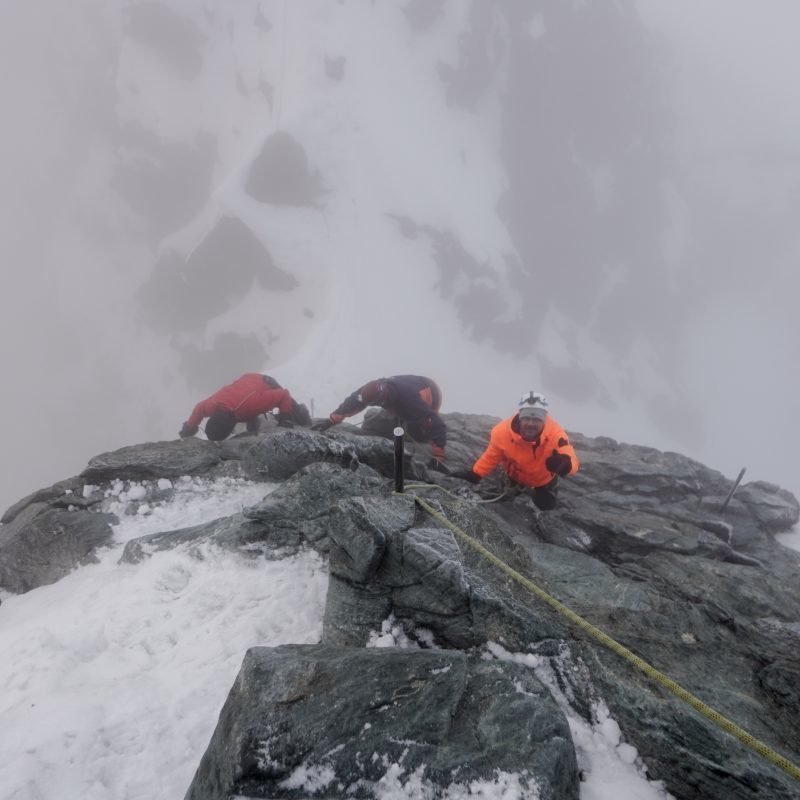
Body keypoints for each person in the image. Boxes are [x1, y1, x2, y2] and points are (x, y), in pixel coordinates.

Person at [457, 391, 579, 510]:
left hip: (542, 479)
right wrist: (475, 474)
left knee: (546, 506)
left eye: (537, 419)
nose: (531, 423)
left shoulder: (556, 435)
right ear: (520, 416)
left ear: (544, 419)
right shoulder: (502, 432)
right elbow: (491, 457)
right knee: (502, 503)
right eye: (526, 418)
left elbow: (571, 458)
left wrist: (566, 465)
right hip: (514, 475)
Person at [312, 375, 447, 462]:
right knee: (395, 423)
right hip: (415, 383)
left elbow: (433, 422)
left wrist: (438, 454)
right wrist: (331, 420)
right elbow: (353, 402)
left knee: (419, 434)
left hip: (431, 394)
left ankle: (422, 435)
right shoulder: (371, 390)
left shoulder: (410, 402)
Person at [179, 373, 309, 441]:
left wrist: (285, 418)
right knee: (250, 423)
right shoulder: (212, 406)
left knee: (300, 419)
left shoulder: (252, 404)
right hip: (246, 383)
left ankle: (301, 413)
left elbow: (284, 394)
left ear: (230, 428)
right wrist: (189, 429)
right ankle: (256, 422)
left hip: (265, 382)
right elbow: (198, 410)